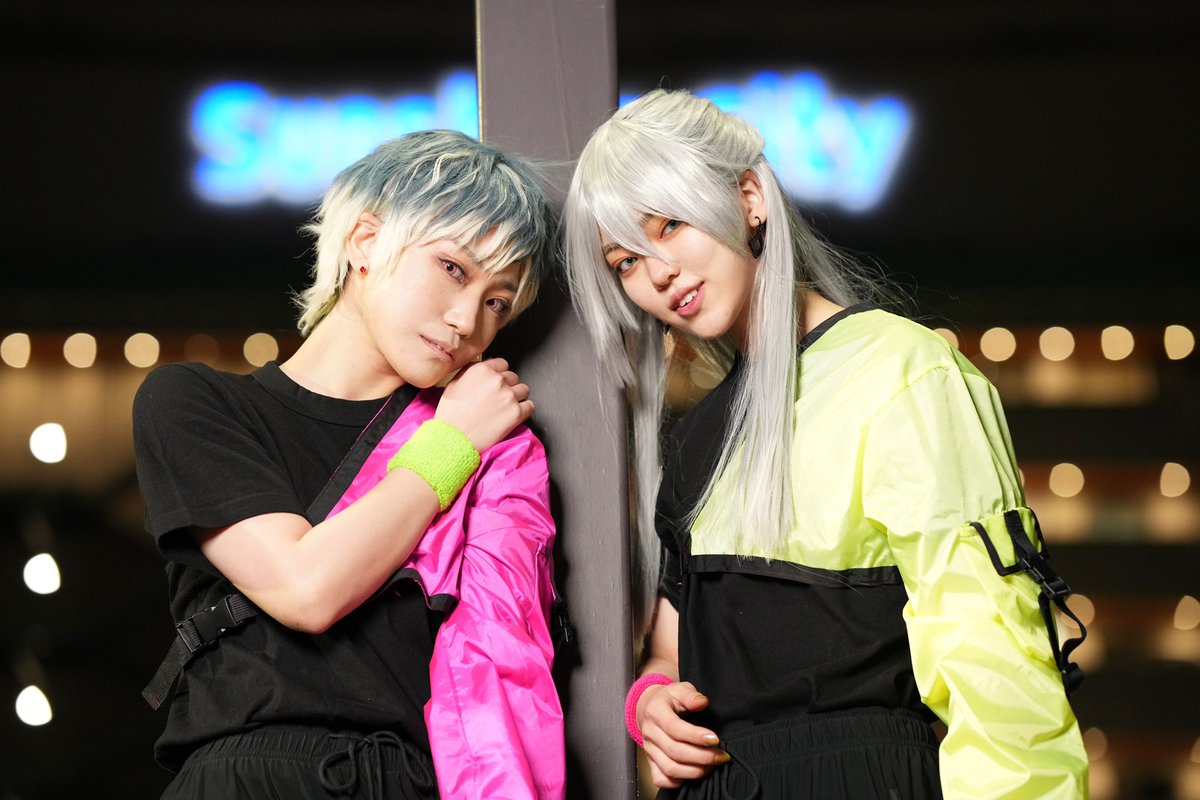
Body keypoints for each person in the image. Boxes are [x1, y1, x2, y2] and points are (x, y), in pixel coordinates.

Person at [562, 89, 1089, 799]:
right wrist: (650, 700)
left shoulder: (903, 374)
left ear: (750, 197)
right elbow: (670, 646)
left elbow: (993, 659)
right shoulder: (697, 441)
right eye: (625, 260)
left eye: (672, 224)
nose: (657, 272)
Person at [133, 130, 565, 799]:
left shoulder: (497, 448)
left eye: (497, 302)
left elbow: (500, 668)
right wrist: (452, 442)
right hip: (247, 776)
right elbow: (306, 589)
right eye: (453, 268)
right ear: (365, 240)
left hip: (414, 780)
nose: (467, 320)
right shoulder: (196, 402)